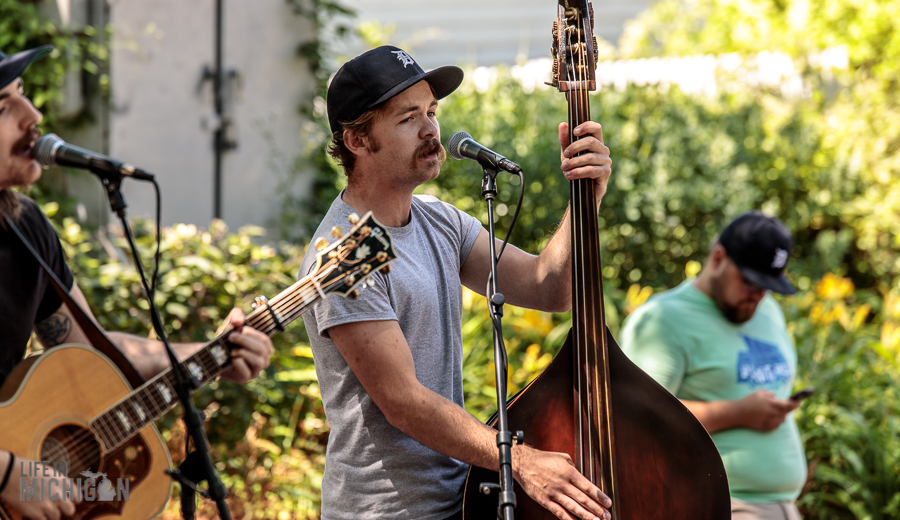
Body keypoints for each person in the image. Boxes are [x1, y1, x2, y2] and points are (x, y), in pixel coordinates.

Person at [299, 45, 614, 520]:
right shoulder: (341, 255)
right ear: (357, 141)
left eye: (431, 111)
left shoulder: (440, 222)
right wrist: (519, 460)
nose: (430, 129)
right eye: (408, 118)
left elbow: (550, 289)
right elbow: (403, 402)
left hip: (459, 501)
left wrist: (585, 196)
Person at [0, 45, 275, 519]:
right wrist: (6, 474)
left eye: (22, 93)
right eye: (3, 107)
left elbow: (93, 352)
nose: (33, 114)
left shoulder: (25, 230)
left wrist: (212, 354)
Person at [619, 212, 807, 520]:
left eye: (768, 286)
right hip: (719, 505)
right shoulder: (662, 321)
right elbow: (635, 420)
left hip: (783, 507)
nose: (758, 296)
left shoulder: (768, 311)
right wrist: (738, 412)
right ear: (718, 258)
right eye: (750, 282)